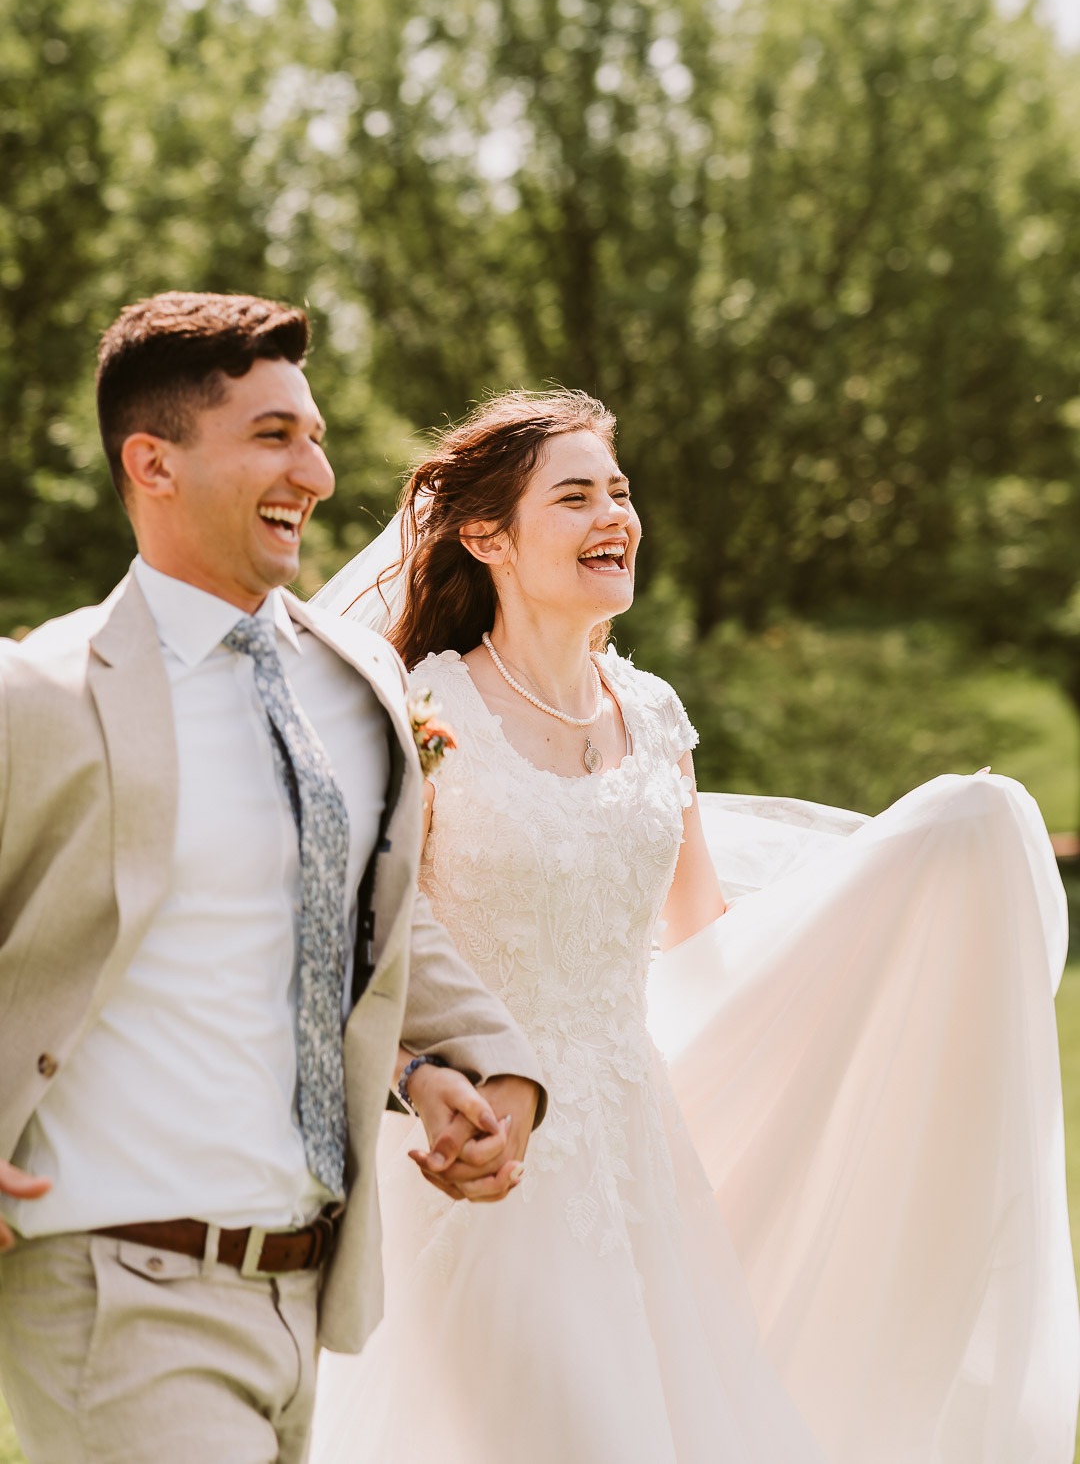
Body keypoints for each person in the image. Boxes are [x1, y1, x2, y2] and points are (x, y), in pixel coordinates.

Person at [310, 388, 1079, 1464]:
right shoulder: (421, 712)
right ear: (487, 535)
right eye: (574, 496)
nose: (612, 516)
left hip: (639, 1158)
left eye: (618, 492)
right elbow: (361, 940)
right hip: (481, 1157)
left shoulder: (656, 717)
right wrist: (418, 1076)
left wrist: (884, 931)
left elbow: (701, 937)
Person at [0, 292, 546, 1464]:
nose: (319, 467)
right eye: (272, 436)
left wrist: (481, 1066)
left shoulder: (351, 681)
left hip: (301, 1298)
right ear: (152, 462)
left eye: (314, 431)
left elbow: (371, 914)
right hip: (108, 1282)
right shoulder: (43, 696)